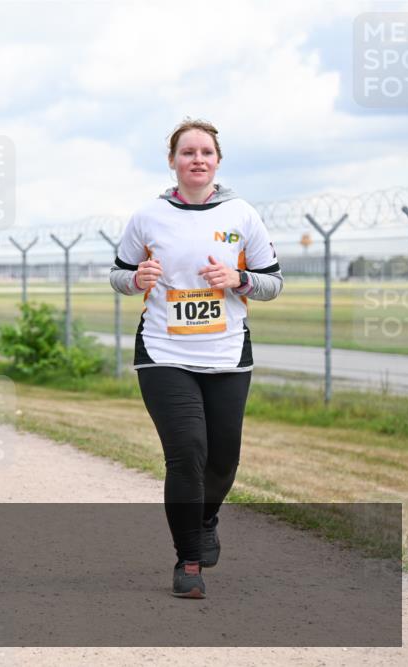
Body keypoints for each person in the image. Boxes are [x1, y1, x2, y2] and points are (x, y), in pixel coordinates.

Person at [109, 118, 283, 599]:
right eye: (188, 152)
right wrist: (137, 279)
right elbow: (119, 275)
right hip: (164, 351)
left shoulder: (242, 214)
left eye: (206, 152)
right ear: (173, 161)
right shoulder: (148, 216)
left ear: (217, 162)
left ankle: (205, 518)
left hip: (227, 352)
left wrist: (239, 280)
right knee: (187, 454)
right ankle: (187, 561)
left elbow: (273, 283)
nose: (197, 160)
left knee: (223, 459)